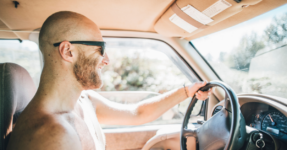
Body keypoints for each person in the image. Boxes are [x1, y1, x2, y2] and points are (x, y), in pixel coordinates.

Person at [7, 11, 211, 150]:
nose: (107, 60)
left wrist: (186, 91)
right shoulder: (51, 136)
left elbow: (137, 113)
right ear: (68, 51)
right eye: (100, 49)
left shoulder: (83, 101)